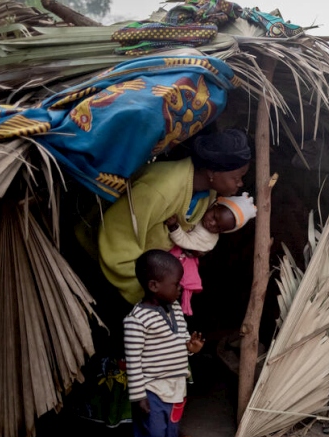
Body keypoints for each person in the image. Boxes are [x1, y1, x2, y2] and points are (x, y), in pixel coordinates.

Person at [98, 128, 251, 306]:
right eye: (237, 177)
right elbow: (116, 236)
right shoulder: (161, 188)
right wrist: (147, 292)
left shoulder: (208, 195)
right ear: (213, 172)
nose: (240, 184)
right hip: (106, 271)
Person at [123, 250, 205, 437]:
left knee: (169, 436)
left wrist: (191, 348)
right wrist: (138, 396)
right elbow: (133, 361)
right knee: (151, 433)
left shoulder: (176, 311)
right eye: (176, 284)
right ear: (154, 286)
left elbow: (180, 343)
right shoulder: (136, 321)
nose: (181, 288)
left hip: (176, 388)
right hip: (152, 389)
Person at [166, 192, 257, 315]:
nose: (212, 224)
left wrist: (173, 227)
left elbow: (184, 241)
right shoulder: (206, 202)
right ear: (215, 205)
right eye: (214, 217)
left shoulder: (209, 239)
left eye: (219, 228)